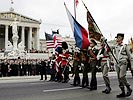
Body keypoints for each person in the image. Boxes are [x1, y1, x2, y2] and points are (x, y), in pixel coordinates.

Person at [113, 33, 132, 98]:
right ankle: (123, 92)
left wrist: (132, 65)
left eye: (118, 37)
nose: (117, 39)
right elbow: (109, 47)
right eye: (117, 38)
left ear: (121, 38)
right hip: (117, 63)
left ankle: (129, 88)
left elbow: (130, 56)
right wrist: (104, 41)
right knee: (119, 78)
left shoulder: (125, 46)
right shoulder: (115, 46)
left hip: (123, 62)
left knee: (122, 76)